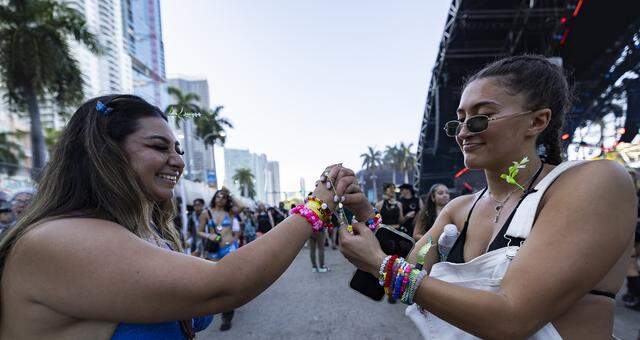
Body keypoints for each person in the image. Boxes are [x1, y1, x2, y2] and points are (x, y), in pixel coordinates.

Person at [0, 94, 361, 339]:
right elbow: (225, 284)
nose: (178, 160)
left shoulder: (138, 232)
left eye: (178, 149)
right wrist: (316, 204)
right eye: (158, 147)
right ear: (104, 154)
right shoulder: (56, 240)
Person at [338, 55, 636, 339]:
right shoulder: (458, 209)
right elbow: (412, 270)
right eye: (459, 121)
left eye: (481, 118)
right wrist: (365, 214)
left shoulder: (593, 182)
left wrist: (383, 266)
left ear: (537, 121)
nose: (464, 132)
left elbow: (512, 317)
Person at [623, 169, 640, 310]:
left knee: (632, 267)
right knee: (634, 265)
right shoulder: (635, 194)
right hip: (636, 233)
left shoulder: (627, 196)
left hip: (633, 233)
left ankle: (635, 296)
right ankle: (632, 293)